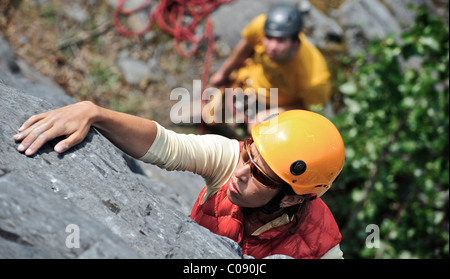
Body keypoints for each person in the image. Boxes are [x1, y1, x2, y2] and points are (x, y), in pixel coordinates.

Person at [13, 101, 345, 259]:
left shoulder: (321, 248)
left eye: (259, 174)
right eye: (249, 152)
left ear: (290, 198)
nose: (241, 172)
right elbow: (167, 145)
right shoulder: (232, 161)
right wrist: (94, 113)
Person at [208, 4, 331, 131]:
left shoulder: (315, 79)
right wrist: (222, 74)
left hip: (275, 106)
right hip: (246, 85)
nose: (272, 46)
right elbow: (245, 47)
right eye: (269, 37)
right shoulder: (261, 26)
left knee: (257, 133)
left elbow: (310, 111)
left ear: (296, 43)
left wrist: (272, 114)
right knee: (208, 116)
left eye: (280, 40)